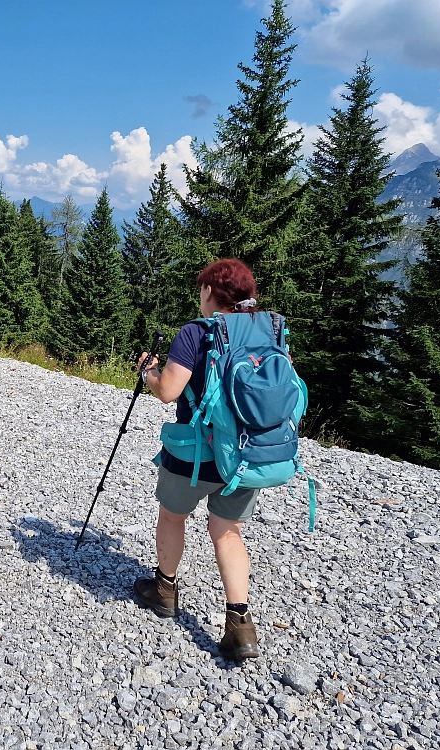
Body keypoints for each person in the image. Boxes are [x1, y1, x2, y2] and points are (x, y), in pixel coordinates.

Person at [134, 258, 263, 660]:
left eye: (201, 289)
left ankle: (165, 590)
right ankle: (240, 625)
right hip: (246, 453)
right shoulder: (268, 330)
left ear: (210, 292)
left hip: (196, 451)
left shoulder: (196, 332)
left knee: (173, 516)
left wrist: (148, 372)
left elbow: (169, 391)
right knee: (227, 531)